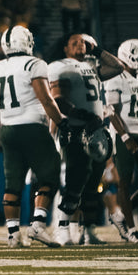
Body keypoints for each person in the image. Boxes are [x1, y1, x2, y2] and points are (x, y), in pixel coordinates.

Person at [0, 25, 68, 247]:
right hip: (33, 127)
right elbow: (47, 99)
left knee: (13, 183)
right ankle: (38, 224)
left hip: (7, 130)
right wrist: (62, 122)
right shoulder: (34, 64)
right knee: (50, 175)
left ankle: (13, 235)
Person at [48, 32, 123, 246]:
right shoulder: (59, 65)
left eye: (83, 42)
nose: (80, 45)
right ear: (65, 48)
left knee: (92, 186)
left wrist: (96, 50)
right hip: (75, 130)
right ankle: (61, 229)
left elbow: (117, 67)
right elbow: (58, 101)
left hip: (96, 131)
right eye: (74, 42)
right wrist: (84, 116)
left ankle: (88, 232)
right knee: (75, 182)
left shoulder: (91, 67)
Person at [104, 39, 138, 244]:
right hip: (122, 133)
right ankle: (132, 230)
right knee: (124, 183)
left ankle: (121, 217)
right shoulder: (115, 77)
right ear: (130, 57)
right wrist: (125, 137)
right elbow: (111, 111)